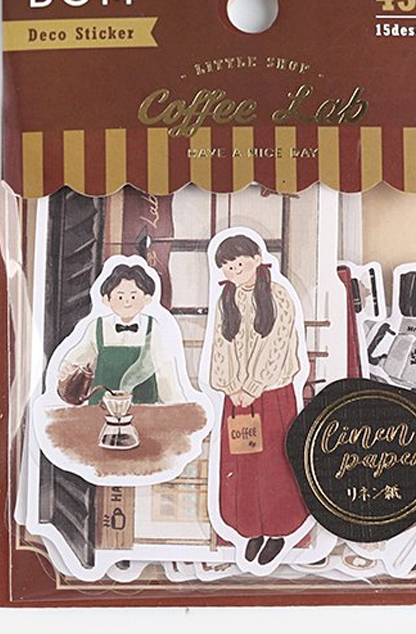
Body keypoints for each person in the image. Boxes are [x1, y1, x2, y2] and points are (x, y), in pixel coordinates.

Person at [208, 234, 309, 565]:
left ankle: (278, 531)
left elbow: (276, 344)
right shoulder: (227, 298)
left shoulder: (278, 295)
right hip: (238, 399)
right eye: (227, 266)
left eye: (239, 263)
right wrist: (229, 386)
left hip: (272, 393)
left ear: (255, 259)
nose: (234, 270)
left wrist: (253, 385)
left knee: (275, 463)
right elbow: (221, 344)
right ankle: (250, 529)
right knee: (242, 462)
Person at [56, 263, 184, 406]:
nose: (127, 302)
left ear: (147, 299)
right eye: (120, 296)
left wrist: (175, 404)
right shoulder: (97, 327)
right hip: (101, 406)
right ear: (106, 299)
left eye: (133, 296)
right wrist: (67, 368)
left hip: (143, 406)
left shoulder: (152, 327)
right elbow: (81, 356)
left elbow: (164, 368)